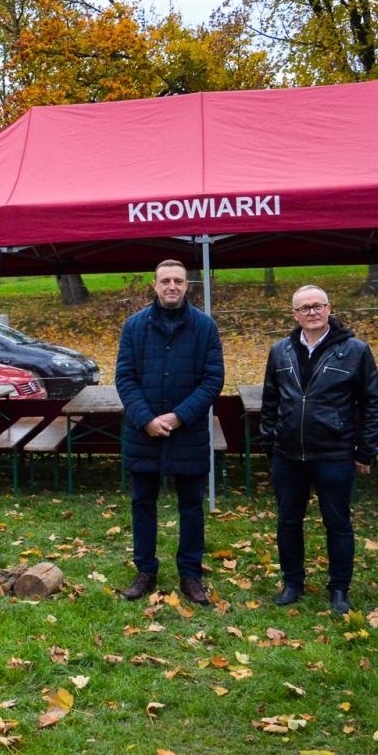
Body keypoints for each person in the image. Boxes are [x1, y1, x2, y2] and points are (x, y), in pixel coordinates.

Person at [258, 285, 378, 615]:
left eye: (318, 306)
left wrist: (365, 451)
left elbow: (372, 403)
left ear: (329, 309)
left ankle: (339, 589)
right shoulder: (280, 351)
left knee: (338, 523)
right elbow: (270, 400)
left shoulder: (355, 351)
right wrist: (270, 441)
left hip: (334, 453)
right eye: (305, 308)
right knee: (288, 522)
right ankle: (292, 583)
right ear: (294, 315)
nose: (312, 312)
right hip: (288, 454)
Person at [115, 259, 225, 605]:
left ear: (187, 285)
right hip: (143, 433)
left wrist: (179, 416)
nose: (172, 286)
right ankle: (145, 570)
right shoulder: (134, 327)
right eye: (166, 281)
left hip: (187, 433)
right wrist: (146, 418)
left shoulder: (205, 327)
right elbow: (125, 377)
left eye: (178, 280)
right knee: (142, 503)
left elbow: (213, 380)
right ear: (155, 285)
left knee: (191, 506)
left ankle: (190, 574)